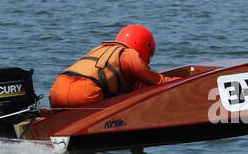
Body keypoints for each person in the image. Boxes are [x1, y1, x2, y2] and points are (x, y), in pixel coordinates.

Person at [48, 24, 178, 109]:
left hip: (57, 90)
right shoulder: (129, 55)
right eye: (150, 54)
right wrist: (189, 82)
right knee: (142, 85)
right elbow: (158, 81)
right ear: (143, 45)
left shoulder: (99, 49)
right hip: (87, 93)